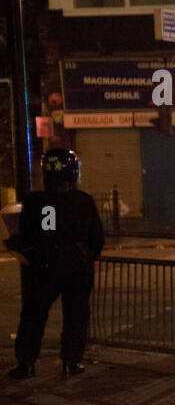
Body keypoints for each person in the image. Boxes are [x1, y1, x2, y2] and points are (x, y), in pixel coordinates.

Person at [7, 148, 105, 378]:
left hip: (43, 268)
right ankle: (71, 361)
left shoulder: (34, 202)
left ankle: (26, 362)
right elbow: (97, 238)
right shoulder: (84, 201)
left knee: (33, 316)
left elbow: (25, 235)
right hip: (77, 268)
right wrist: (87, 256)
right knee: (76, 316)